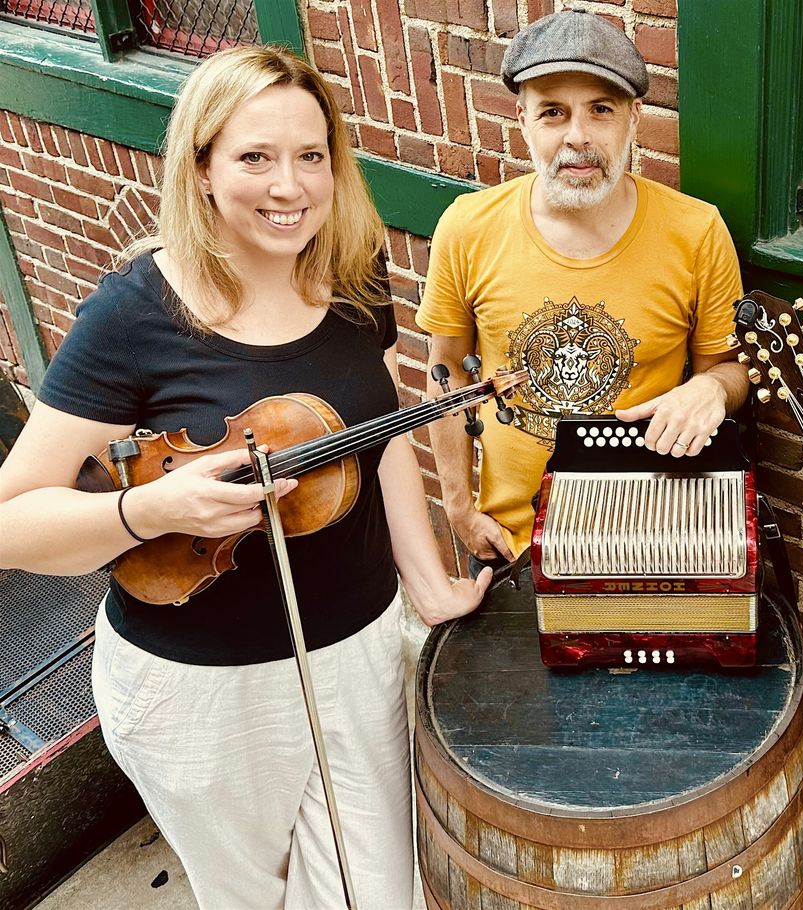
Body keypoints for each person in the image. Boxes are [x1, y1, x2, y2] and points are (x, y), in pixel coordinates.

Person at [0, 46, 486, 909]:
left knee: (382, 892)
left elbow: (377, 438)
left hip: (360, 651)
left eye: (311, 155)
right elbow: (12, 519)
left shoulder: (351, 268)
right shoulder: (135, 313)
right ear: (202, 166)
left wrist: (429, 584)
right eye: (254, 157)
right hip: (202, 692)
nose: (289, 187)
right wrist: (153, 507)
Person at [416, 10, 748, 574]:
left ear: (633, 117)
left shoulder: (697, 232)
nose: (578, 136)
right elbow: (446, 371)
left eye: (601, 109)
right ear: (522, 120)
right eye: (553, 111)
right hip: (513, 545)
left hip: (653, 540)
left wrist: (713, 390)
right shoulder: (468, 227)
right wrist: (458, 509)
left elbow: (729, 369)